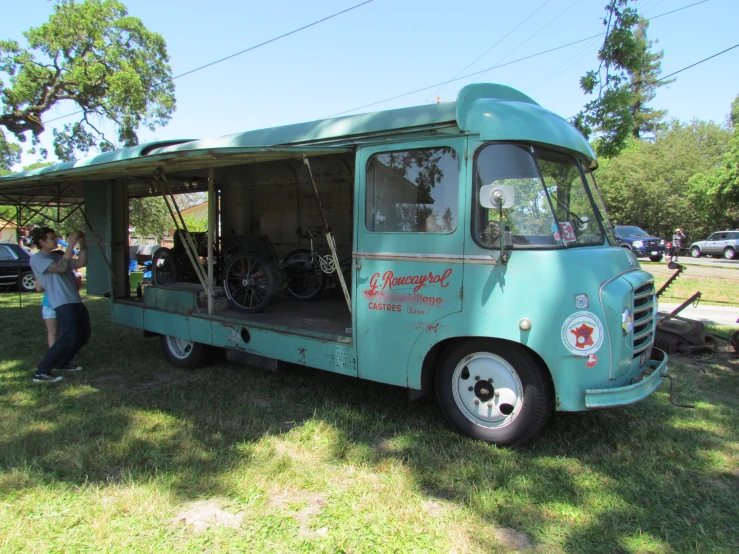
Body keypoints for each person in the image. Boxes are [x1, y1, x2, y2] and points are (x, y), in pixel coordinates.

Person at [29, 227, 90, 384]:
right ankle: (41, 371)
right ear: (42, 242)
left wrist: (82, 244)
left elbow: (82, 262)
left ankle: (62, 363)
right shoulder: (37, 259)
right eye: (52, 238)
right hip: (62, 303)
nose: (56, 240)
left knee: (84, 334)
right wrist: (70, 244)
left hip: (75, 300)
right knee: (68, 337)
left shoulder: (56, 257)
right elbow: (62, 267)